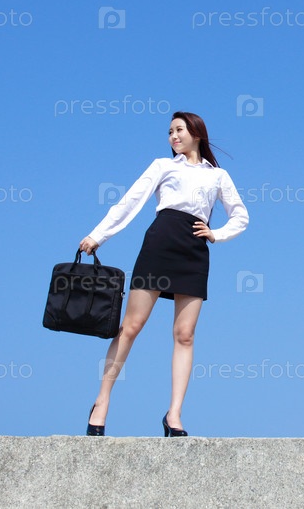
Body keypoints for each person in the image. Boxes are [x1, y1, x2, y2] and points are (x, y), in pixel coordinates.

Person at [79, 111, 249, 437]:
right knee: (131, 326)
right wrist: (98, 235)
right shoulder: (163, 166)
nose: (173, 136)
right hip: (160, 244)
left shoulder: (218, 175)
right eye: (170, 132)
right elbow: (130, 201)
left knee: (185, 335)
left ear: (196, 133)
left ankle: (174, 415)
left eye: (179, 130)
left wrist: (216, 234)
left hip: (194, 252)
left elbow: (241, 215)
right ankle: (102, 401)